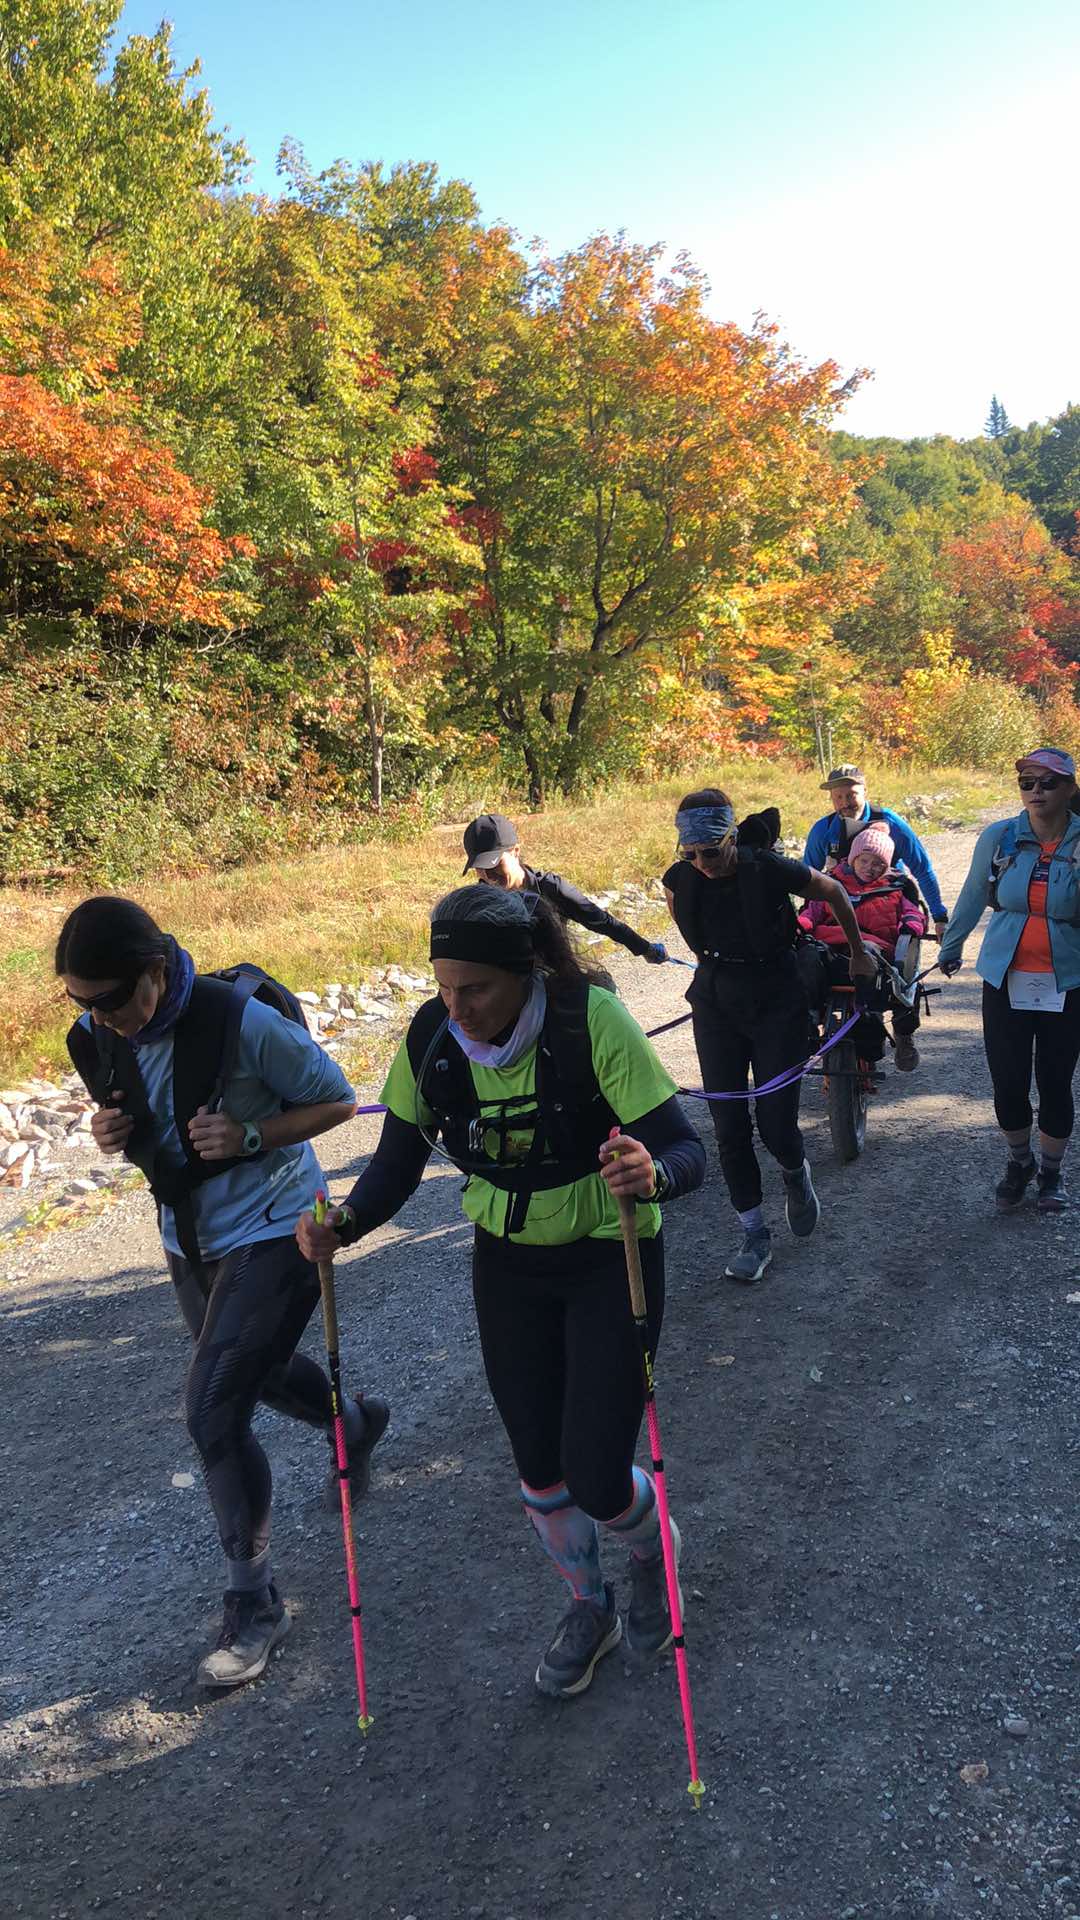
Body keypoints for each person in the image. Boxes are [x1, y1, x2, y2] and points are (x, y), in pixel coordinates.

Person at [297, 885, 706, 1702]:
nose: (458, 1007)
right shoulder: (433, 1038)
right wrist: (344, 1223)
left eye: (476, 989)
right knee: (540, 1473)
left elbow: (683, 1150)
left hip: (607, 1257)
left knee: (597, 1476)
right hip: (509, 1267)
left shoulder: (590, 1020)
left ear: (524, 971)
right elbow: (395, 1162)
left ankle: (650, 1552)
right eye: (445, 987)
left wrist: (650, 1175)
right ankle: (589, 1606)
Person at [57, 897, 389, 1688]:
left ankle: (256, 1604)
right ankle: (354, 1423)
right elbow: (142, 1114)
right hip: (190, 1236)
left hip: (279, 1225)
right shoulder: (97, 1034)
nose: (100, 1018)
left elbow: (339, 1099)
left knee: (213, 1410)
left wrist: (251, 1134)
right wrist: (110, 1131)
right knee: (257, 1375)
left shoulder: (241, 1021)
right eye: (81, 1002)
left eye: (111, 999)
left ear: (154, 970)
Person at [663, 787, 877, 1282]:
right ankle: (754, 1233)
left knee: (776, 1124)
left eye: (710, 851)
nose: (701, 864)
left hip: (777, 998)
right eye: (690, 854)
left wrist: (858, 953)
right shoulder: (679, 879)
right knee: (728, 1127)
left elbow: (834, 891)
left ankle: (796, 1171)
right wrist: (714, 963)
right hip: (716, 1004)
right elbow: (684, 915)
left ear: (731, 838)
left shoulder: (769, 869)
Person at [938, 748, 1080, 1214]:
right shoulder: (1000, 838)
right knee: (1007, 1081)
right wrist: (951, 946)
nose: (1036, 791)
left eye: (1048, 782)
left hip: (1068, 982)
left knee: (1055, 1082)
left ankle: (1052, 1174)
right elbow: (973, 893)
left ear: (1069, 789)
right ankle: (1020, 1163)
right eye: (1027, 782)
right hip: (1005, 979)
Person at [796, 824, 927, 1071]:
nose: (870, 867)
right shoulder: (830, 883)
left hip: (873, 949)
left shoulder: (897, 887)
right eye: (864, 860)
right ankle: (808, 1019)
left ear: (887, 865)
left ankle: (885, 1028)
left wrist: (911, 924)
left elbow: (913, 913)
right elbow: (811, 913)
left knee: (902, 977)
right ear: (853, 859)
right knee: (807, 955)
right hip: (831, 947)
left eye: (878, 863)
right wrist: (800, 926)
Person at [462, 812, 667, 965]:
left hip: (557, 978)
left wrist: (645, 948)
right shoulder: (476, 904)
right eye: (479, 868)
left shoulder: (550, 889)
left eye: (494, 865)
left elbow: (601, 921)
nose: (488, 875)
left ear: (515, 851)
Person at [803, 765, 949, 934]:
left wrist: (940, 917)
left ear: (865, 791)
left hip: (888, 907)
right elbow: (807, 878)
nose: (845, 803)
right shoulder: (823, 830)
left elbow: (922, 869)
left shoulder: (892, 823)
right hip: (841, 911)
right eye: (838, 797)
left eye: (851, 795)